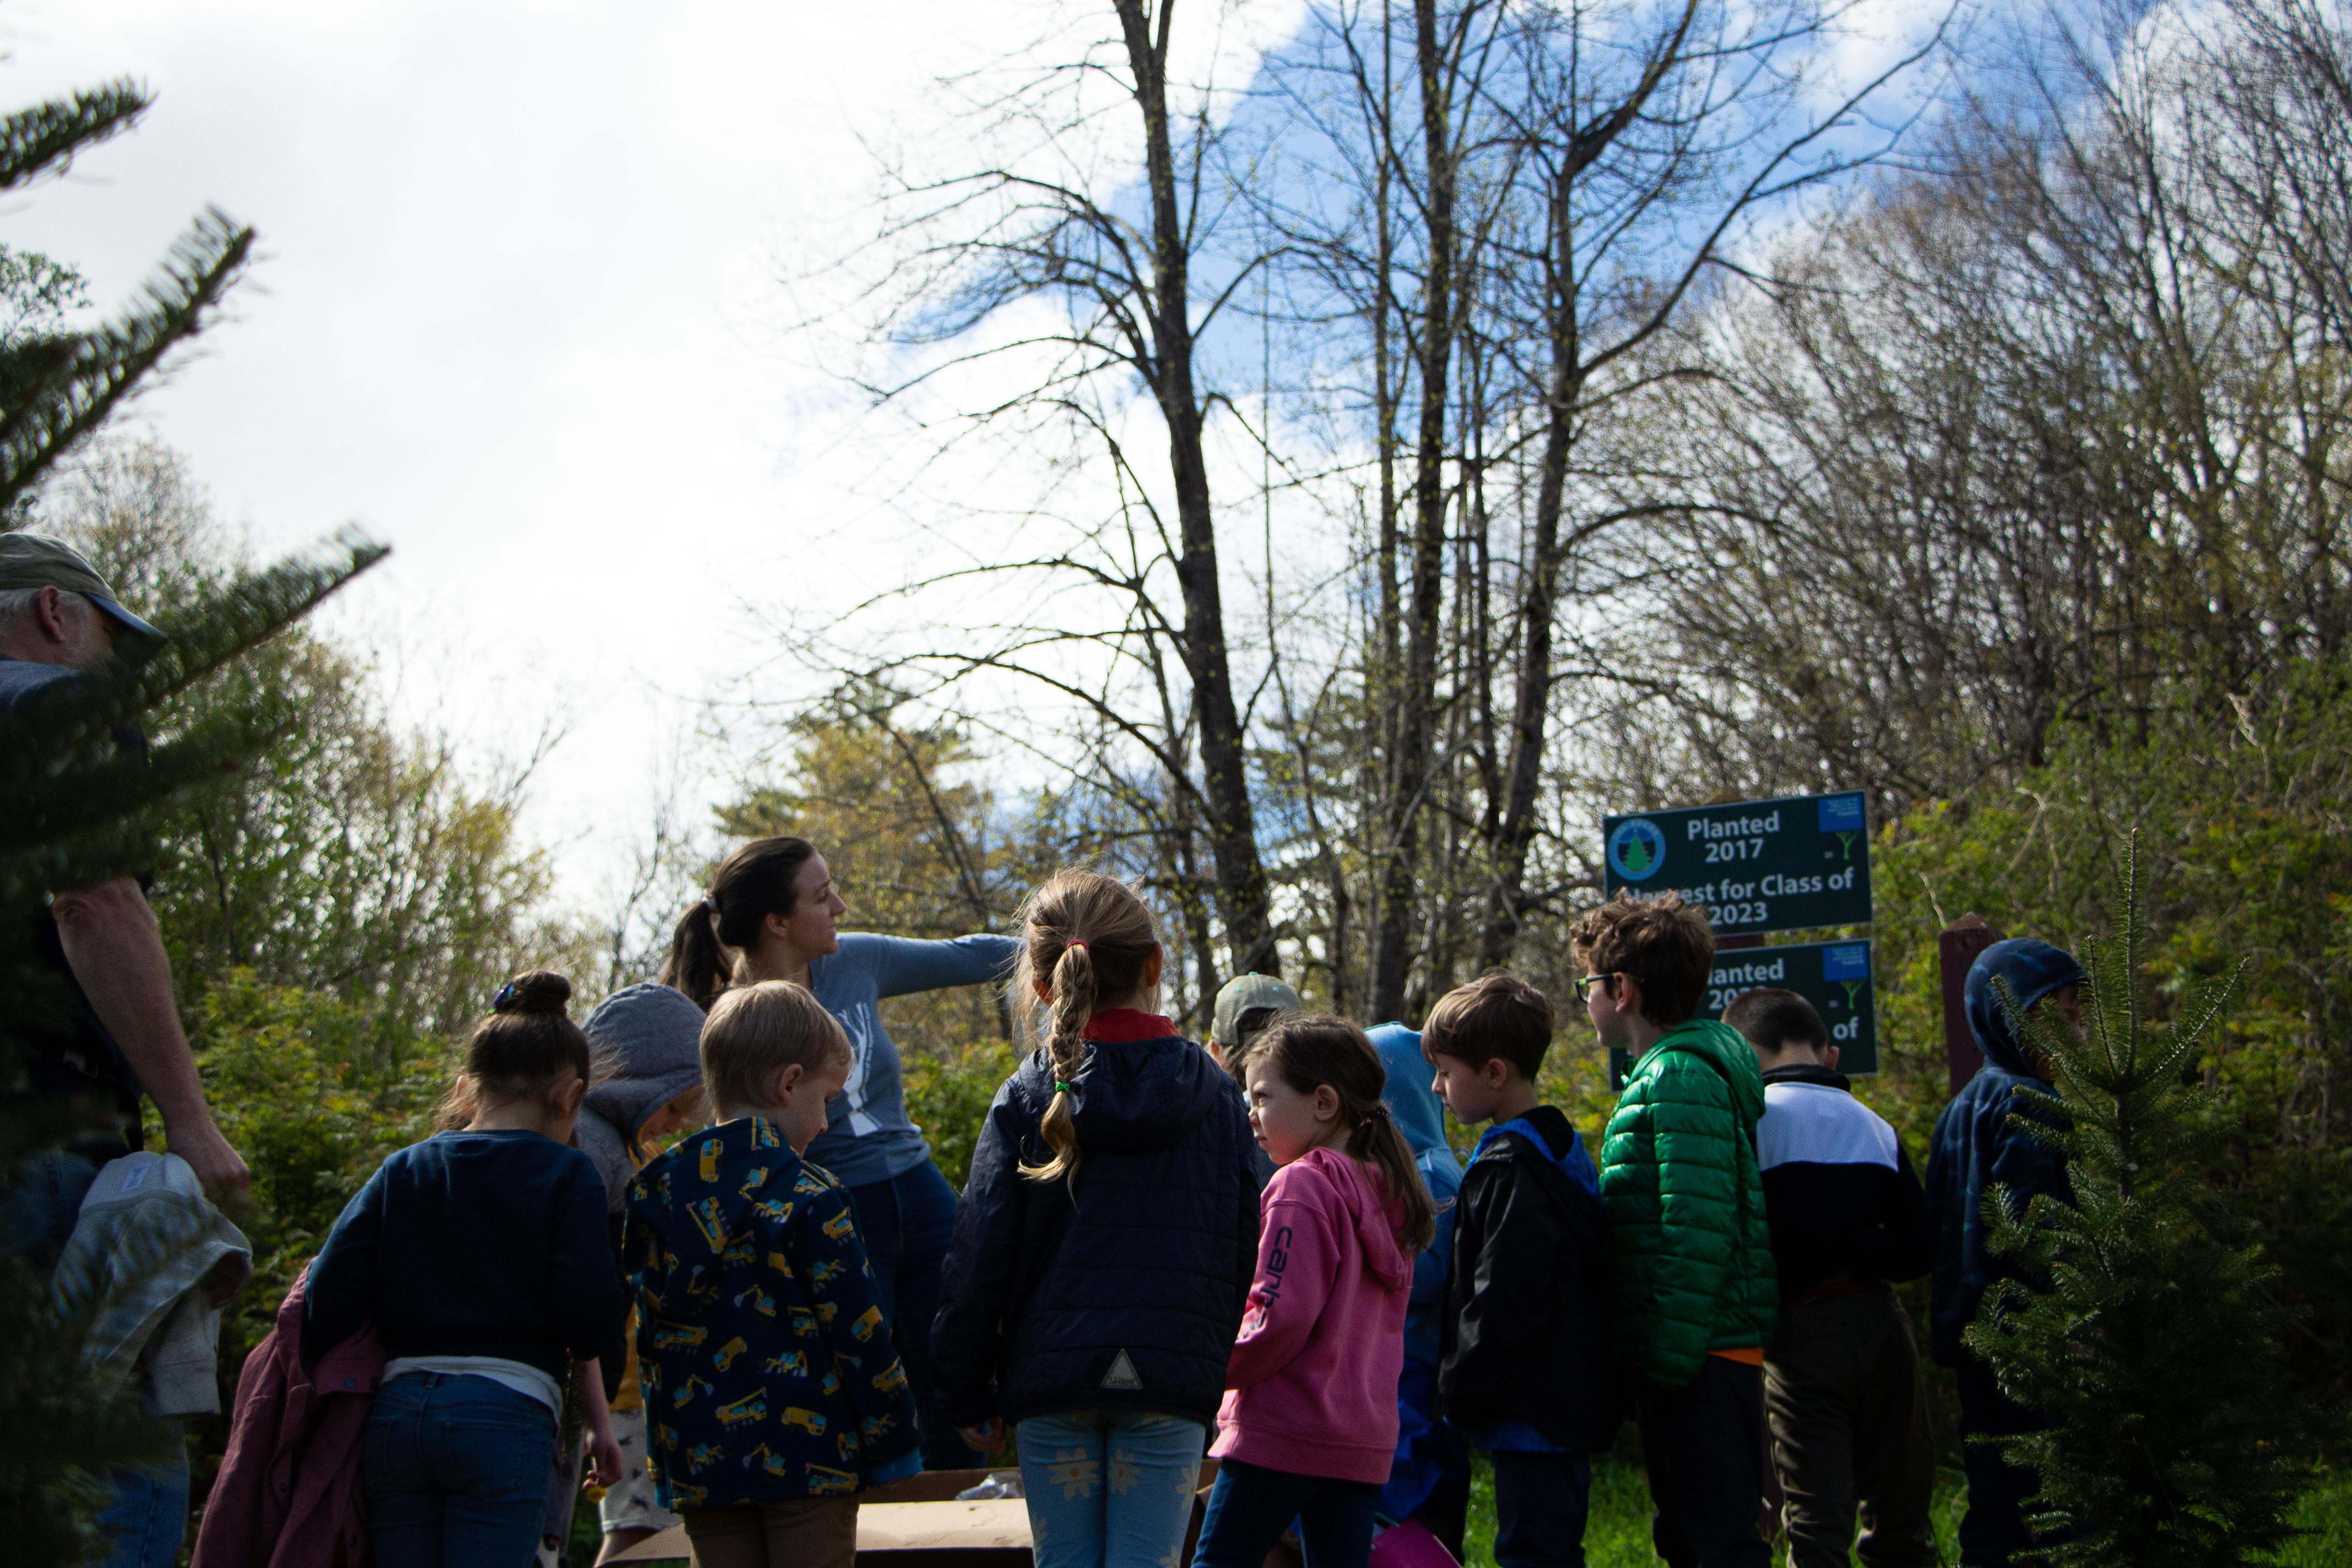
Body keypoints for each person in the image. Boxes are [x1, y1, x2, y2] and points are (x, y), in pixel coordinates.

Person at [0, 536, 252, 1568]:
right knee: (114, 1473)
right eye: (117, 640)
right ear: (57, 612)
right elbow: (94, 897)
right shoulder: (55, 711)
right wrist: (189, 1122)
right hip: (37, 1147)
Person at [932, 868, 1261, 1568]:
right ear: (1154, 964)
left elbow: (976, 1254)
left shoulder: (1026, 1095)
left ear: (1045, 984)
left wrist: (964, 1388)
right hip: (1169, 1382)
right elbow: (1245, 1245)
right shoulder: (1215, 1097)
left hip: (1052, 1385)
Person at [662, 835, 1015, 1467]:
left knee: (953, 1354)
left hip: (919, 1190)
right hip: (833, 1211)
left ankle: (958, 1520)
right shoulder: (735, 1017)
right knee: (865, 1374)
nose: (842, 906)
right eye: (822, 896)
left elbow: (968, 957)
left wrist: (1074, 944)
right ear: (777, 922)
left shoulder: (857, 961)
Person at [305, 971, 626, 1568]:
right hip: (506, 1414)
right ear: (569, 1097)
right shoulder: (567, 1174)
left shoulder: (406, 1167)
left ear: (466, 1089)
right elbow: (588, 1317)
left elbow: (329, 1291)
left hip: (398, 1417)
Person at [623, 981, 922, 1568]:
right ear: (788, 1082)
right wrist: (894, 1443)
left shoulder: (655, 1199)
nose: (827, 1124)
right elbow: (860, 1332)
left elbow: (650, 1337)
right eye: (827, 1100)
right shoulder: (811, 1197)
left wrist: (666, 1461)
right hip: (811, 1462)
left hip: (703, 1466)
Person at [1577, 892, 1778, 1568]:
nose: (1586, 999)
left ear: (1622, 990)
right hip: (1693, 1350)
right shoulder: (1667, 1072)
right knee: (1690, 1535)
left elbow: (1695, 1226)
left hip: (1698, 1355)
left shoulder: (1677, 1074)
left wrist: (1666, 1361)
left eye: (1588, 984)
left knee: (1716, 1540)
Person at [1194, 1015, 1433, 1568]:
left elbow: (1277, 1313)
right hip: (1360, 1442)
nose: (1250, 1114)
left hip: (1282, 1431)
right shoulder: (1392, 1187)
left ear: (1323, 1102)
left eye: (1262, 1097)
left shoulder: (1301, 1184)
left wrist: (1210, 1367)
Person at [1724, 988, 1934, 1568]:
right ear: (1829, 1055)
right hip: (1883, 1327)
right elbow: (1919, 1248)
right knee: (1902, 1515)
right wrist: (1861, 1246)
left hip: (1800, 1338)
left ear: (1744, 1055)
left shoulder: (1752, 1125)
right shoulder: (1875, 1127)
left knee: (1817, 1526)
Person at [1420, 974, 1616, 1568]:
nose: (1437, 1086)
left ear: (1495, 1072)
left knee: (1532, 1550)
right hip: (1561, 1399)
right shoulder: (1560, 1146)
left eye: (1447, 1072)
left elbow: (1503, 1294)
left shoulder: (1512, 1168)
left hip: (1534, 1410)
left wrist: (1460, 1388)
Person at [1924, 939, 2085, 1568]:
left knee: (1993, 1498)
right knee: (2053, 1507)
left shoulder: (1958, 1109)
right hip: (2033, 1338)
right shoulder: (2027, 1103)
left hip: (1975, 1343)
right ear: (2009, 1018)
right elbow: (2036, 1227)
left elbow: (1932, 1224)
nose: (2075, 1029)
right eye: (2058, 1014)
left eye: (2077, 1013)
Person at [577, 982, 712, 1566]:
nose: (676, 1122)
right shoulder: (600, 1153)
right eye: (672, 1105)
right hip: (627, 1392)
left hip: (638, 1385)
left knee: (650, 1526)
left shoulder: (634, 1153)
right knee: (636, 1529)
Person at [1363, 1019, 1470, 1561]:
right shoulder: (1400, 1171)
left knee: (1410, 1526)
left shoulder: (1432, 1175)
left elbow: (1424, 1277)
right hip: (1394, 1376)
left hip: (1417, 1382)